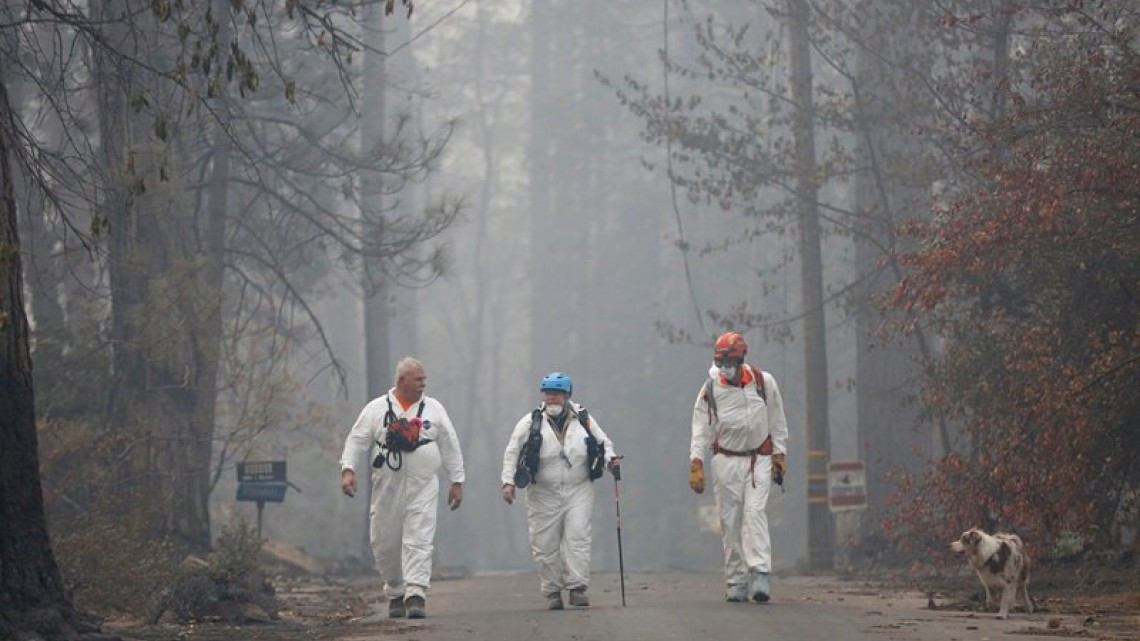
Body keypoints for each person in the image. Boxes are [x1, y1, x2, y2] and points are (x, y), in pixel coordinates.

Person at [339, 357, 465, 619]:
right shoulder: (376, 409)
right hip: (387, 486)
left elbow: (450, 443)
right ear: (401, 381)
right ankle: (396, 591)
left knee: (419, 536)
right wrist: (348, 470)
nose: (423, 384)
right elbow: (357, 440)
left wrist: (457, 480)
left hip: (424, 484)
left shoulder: (434, 408)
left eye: (424, 379)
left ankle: (416, 593)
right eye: (418, 379)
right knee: (385, 539)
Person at [500, 372, 621, 610]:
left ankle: (577, 588)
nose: (552, 398)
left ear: (567, 395)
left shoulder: (583, 418)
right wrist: (508, 482)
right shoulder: (530, 422)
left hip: (579, 488)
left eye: (557, 394)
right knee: (544, 543)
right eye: (548, 393)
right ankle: (552, 590)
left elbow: (603, 442)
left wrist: (611, 461)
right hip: (542, 492)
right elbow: (512, 451)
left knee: (578, 537)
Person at [689, 331, 788, 603]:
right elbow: (700, 428)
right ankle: (736, 580)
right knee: (730, 520)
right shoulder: (710, 389)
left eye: (730, 361)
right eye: (721, 362)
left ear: (741, 357)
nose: (725, 368)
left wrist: (780, 455)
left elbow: (777, 421)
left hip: (759, 458)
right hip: (726, 460)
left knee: (755, 513)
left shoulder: (763, 383)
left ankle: (760, 573)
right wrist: (696, 461)